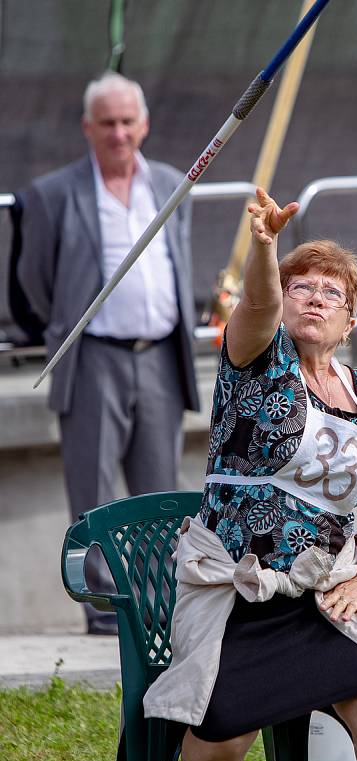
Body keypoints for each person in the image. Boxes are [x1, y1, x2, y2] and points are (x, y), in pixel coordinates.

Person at [144, 188, 357, 761]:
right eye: (303, 287)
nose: (316, 298)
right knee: (224, 743)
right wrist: (266, 250)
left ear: (350, 322)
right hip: (238, 590)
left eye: (333, 293)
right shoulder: (257, 357)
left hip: (322, 594)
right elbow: (258, 303)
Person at [18, 72, 199, 635]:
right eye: (108, 123)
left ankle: (155, 607)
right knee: (93, 492)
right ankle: (103, 613)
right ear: (87, 128)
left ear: (143, 124)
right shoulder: (55, 193)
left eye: (128, 122)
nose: (119, 134)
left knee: (160, 491)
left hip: (159, 357)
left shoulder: (171, 183)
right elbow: (34, 280)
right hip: (94, 357)